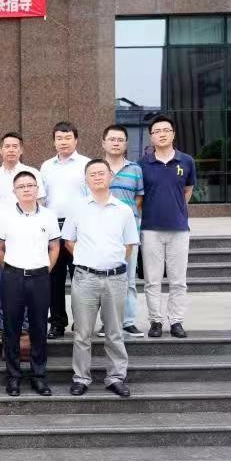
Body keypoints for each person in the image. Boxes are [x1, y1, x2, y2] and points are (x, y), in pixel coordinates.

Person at [62, 159, 139, 398]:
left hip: (115, 279)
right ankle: (81, 378)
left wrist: (110, 260)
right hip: (85, 278)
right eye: (92, 174)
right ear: (86, 180)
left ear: (110, 177)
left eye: (101, 173)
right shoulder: (77, 208)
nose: (97, 177)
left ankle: (116, 377)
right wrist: (87, 258)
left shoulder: (124, 210)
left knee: (114, 332)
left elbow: (129, 245)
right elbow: (69, 241)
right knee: (82, 333)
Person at [0, 171, 60, 397]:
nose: (26, 189)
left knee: (39, 327)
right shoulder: (5, 215)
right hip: (13, 276)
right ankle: (13, 377)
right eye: (21, 186)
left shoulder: (49, 215)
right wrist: (10, 269)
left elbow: (55, 247)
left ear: (37, 189)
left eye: (30, 185)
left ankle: (38, 376)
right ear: (14, 191)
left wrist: (45, 269)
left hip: (40, 277)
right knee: (11, 327)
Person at [138, 114, 196, 339]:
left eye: (166, 130)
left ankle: (176, 321)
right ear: (151, 137)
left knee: (178, 280)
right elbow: (140, 198)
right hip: (151, 229)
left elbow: (187, 191)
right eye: (157, 131)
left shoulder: (186, 161)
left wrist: (176, 210)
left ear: (173, 134)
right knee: (152, 280)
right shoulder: (142, 164)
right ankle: (155, 321)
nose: (161, 134)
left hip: (179, 230)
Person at [0, 132, 45, 341]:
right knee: (1, 285)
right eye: (7, 146)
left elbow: (40, 203)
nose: (11, 150)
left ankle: (25, 326)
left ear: (21, 150)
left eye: (15, 146)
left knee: (27, 285)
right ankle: (4, 326)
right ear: (0, 150)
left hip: (27, 238)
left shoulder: (32, 173)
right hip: (0, 238)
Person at [40, 121, 90, 339]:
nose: (63, 142)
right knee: (54, 278)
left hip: (79, 228)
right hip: (53, 228)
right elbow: (43, 199)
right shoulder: (46, 166)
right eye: (59, 138)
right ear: (54, 141)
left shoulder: (86, 164)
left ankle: (81, 321)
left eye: (68, 138)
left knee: (80, 278)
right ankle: (57, 323)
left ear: (76, 140)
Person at [99, 125, 145, 338]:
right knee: (103, 280)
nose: (116, 143)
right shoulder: (96, 168)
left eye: (120, 140)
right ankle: (107, 323)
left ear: (126, 144)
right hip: (102, 234)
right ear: (104, 143)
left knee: (128, 279)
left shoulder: (135, 169)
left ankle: (128, 321)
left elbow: (138, 199)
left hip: (128, 233)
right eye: (112, 139)